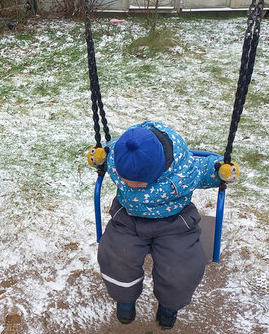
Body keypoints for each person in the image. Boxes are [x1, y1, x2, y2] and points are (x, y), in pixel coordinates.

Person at [96, 120, 239, 329]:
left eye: (137, 182)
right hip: (127, 218)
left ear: (157, 171)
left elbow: (207, 168)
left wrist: (221, 170)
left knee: (182, 268)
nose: (129, 184)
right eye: (124, 180)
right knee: (115, 258)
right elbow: (107, 155)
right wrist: (100, 156)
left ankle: (169, 307)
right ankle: (124, 300)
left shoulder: (184, 170)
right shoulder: (120, 157)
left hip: (176, 222)